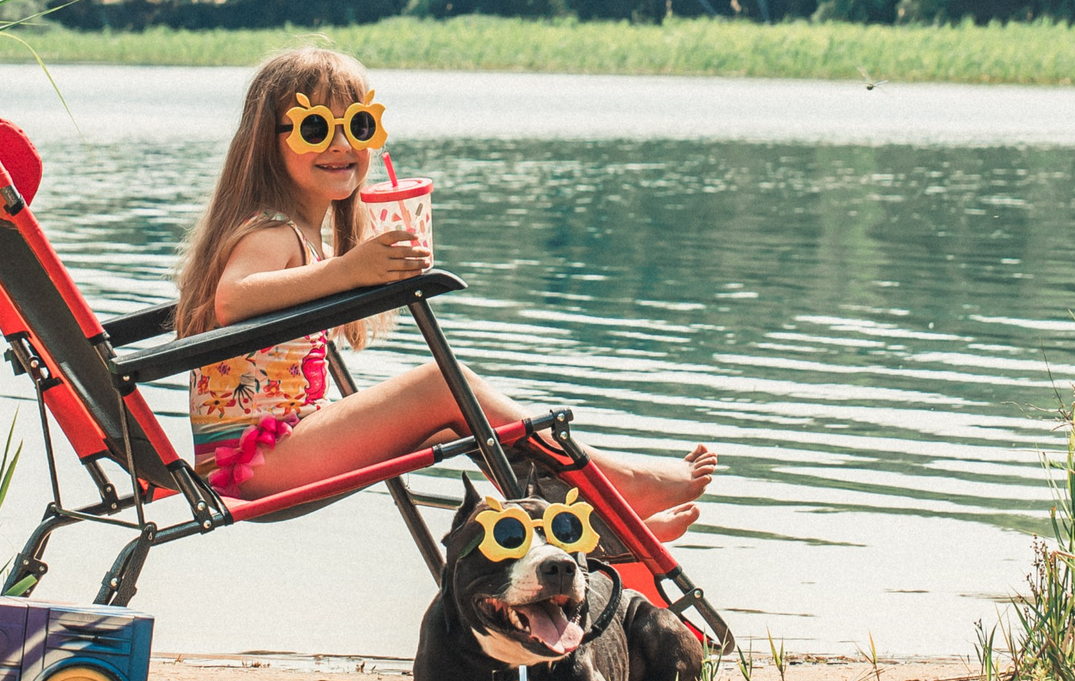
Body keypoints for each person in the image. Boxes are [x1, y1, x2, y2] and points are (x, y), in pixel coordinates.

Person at [174, 47, 717, 541]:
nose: (342, 145)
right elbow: (235, 299)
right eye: (315, 129)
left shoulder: (298, 233)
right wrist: (348, 271)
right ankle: (614, 482)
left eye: (358, 125)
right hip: (256, 464)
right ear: (267, 145)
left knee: (456, 416)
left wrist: (353, 269)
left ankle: (597, 523)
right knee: (440, 384)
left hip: (275, 450)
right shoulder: (270, 231)